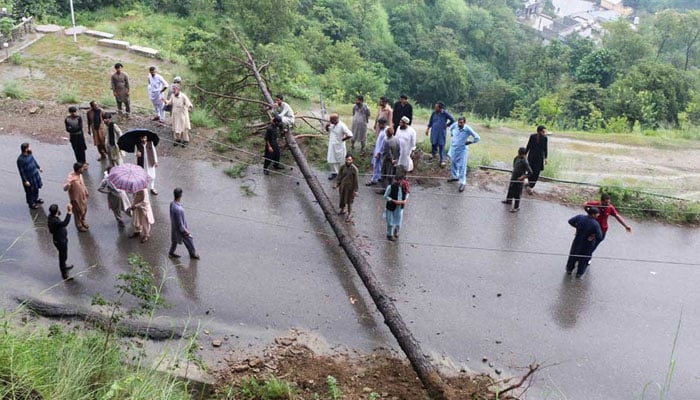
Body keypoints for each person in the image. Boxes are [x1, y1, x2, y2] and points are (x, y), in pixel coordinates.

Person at [584, 193, 632, 263]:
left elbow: (617, 216)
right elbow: (585, 204)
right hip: (593, 229)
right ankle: (584, 257)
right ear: (601, 201)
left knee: (594, 245)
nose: (608, 204)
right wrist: (589, 213)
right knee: (588, 243)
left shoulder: (610, 208)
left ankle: (587, 256)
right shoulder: (595, 204)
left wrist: (626, 226)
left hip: (602, 230)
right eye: (606, 202)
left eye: (609, 202)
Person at [566, 207, 603, 278]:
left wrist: (577, 227)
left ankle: (569, 270)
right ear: (593, 214)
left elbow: (570, 221)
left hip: (577, 241)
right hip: (587, 244)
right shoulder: (595, 224)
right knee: (584, 259)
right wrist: (593, 236)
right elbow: (600, 237)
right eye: (597, 214)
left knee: (573, 255)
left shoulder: (580, 217)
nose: (598, 216)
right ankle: (579, 273)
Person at [447, 116, 480, 193]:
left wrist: (471, 142)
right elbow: (451, 128)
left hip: (462, 150)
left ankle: (462, 182)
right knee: (453, 162)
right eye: (459, 122)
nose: (459, 124)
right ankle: (455, 176)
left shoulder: (467, 129)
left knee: (462, 166)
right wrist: (452, 135)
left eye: (461, 123)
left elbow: (477, 137)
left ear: (464, 122)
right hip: (454, 148)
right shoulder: (455, 125)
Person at [169, 187, 199, 259]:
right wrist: (186, 231)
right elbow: (180, 224)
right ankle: (193, 254)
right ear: (180, 195)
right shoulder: (179, 209)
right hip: (181, 229)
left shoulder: (172, 204)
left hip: (174, 227)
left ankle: (171, 252)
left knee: (174, 241)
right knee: (189, 240)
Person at [47, 203, 74, 280]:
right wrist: (69, 212)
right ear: (55, 211)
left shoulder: (51, 216)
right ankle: (64, 274)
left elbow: (59, 213)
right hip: (60, 241)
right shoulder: (54, 221)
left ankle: (64, 266)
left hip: (62, 239)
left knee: (64, 254)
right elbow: (65, 223)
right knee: (62, 256)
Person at [502, 147, 532, 212]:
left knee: (517, 193)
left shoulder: (525, 162)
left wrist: (523, 177)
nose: (519, 155)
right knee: (511, 188)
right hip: (514, 176)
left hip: (519, 179)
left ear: (524, 154)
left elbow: (530, 173)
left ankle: (516, 207)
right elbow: (514, 165)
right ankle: (509, 200)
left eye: (521, 154)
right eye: (519, 154)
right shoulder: (516, 158)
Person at [425, 102, 455, 167]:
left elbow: (453, 120)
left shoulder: (445, 113)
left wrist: (447, 125)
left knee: (441, 145)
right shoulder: (434, 113)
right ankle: (433, 154)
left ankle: (442, 160)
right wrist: (427, 129)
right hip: (434, 131)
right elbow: (430, 121)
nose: (435, 108)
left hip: (441, 132)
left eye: (436, 107)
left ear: (440, 108)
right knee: (433, 142)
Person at [325, 113, 353, 180]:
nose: (330, 121)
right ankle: (334, 173)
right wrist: (326, 126)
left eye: (331, 120)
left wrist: (343, 139)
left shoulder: (342, 125)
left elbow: (350, 134)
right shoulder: (331, 124)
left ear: (336, 120)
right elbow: (327, 130)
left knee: (341, 161)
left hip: (339, 146)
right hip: (332, 145)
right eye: (330, 120)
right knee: (331, 160)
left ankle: (342, 174)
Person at [17, 142, 43, 209]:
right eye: (28, 147)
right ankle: (31, 204)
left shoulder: (30, 154)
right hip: (29, 178)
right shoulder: (20, 160)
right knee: (30, 191)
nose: (30, 148)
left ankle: (35, 199)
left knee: (36, 189)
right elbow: (21, 172)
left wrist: (38, 167)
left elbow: (34, 161)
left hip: (34, 174)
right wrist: (25, 181)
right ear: (25, 149)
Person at [63, 162, 89, 232]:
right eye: (82, 168)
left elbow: (83, 183)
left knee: (84, 209)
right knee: (77, 212)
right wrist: (68, 184)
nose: (83, 169)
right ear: (79, 169)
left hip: (83, 196)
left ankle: (83, 220)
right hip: (76, 199)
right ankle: (79, 225)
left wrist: (86, 190)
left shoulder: (80, 175)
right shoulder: (71, 177)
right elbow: (65, 188)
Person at [334, 154, 359, 222]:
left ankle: (350, 214)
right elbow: (339, 176)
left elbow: (356, 181)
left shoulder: (354, 169)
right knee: (342, 199)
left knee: (349, 201)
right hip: (343, 187)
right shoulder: (342, 167)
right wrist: (337, 184)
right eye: (347, 159)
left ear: (352, 160)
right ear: (345, 159)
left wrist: (356, 190)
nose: (348, 161)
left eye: (349, 160)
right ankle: (342, 209)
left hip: (350, 188)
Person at [384, 173, 409, 241]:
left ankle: (396, 231)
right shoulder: (390, 187)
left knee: (398, 222)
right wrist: (394, 201)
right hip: (391, 206)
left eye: (401, 181)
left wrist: (405, 200)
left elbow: (407, 193)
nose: (399, 182)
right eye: (398, 180)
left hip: (400, 207)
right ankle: (389, 234)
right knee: (390, 221)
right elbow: (386, 196)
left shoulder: (404, 186)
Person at [526, 125, 548, 194]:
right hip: (532, 157)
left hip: (538, 158)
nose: (545, 133)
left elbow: (545, 149)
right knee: (531, 171)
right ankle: (530, 184)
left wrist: (546, 158)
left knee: (536, 172)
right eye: (543, 131)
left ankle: (531, 186)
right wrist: (525, 154)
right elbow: (528, 146)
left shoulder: (545, 138)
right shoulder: (532, 136)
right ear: (539, 131)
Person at [378, 124, 400, 192]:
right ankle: (390, 188)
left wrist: (391, 159)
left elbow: (388, 152)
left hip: (387, 161)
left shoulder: (387, 141)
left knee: (384, 174)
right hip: (395, 160)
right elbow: (399, 149)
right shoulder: (396, 139)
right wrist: (396, 159)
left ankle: (384, 189)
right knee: (391, 175)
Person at [367, 117, 388, 186]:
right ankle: (377, 178)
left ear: (384, 124)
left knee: (376, 166)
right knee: (377, 166)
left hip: (379, 152)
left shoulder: (385, 132)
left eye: (380, 124)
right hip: (377, 150)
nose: (379, 125)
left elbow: (383, 144)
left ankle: (374, 179)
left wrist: (379, 152)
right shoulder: (383, 130)